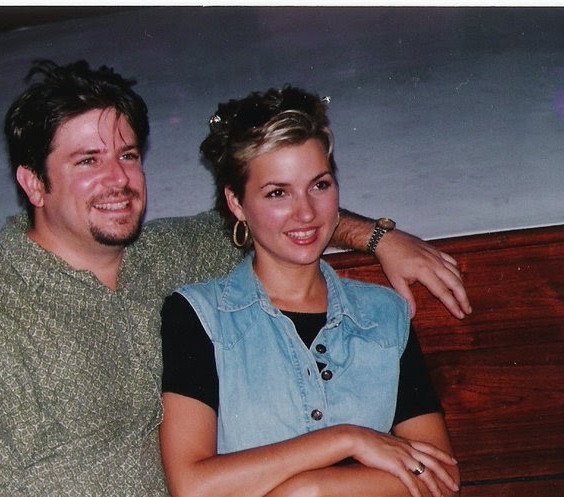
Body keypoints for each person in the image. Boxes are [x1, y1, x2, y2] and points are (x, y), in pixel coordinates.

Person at [0, 60, 470, 497]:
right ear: (33, 183)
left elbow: (283, 215)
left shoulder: (166, 254)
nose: (118, 179)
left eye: (127, 155)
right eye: (87, 161)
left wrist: (379, 237)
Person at [159, 86, 460, 497]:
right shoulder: (198, 316)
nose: (306, 212)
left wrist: (311, 489)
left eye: (319, 185)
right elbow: (193, 487)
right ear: (236, 203)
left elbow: (441, 478)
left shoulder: (384, 313)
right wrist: (346, 439)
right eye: (277, 193)